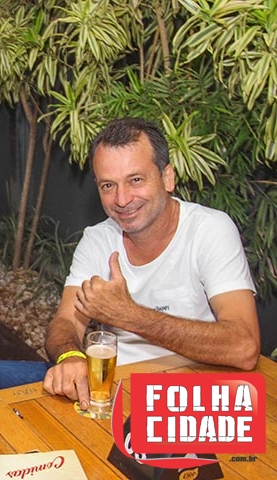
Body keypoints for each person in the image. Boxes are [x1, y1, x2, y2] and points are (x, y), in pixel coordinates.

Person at [42, 117, 260, 409]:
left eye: (136, 180)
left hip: (197, 397)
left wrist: (130, 315)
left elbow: (244, 347)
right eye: (108, 185)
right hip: (117, 392)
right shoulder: (98, 239)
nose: (122, 199)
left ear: (167, 177)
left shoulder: (210, 230)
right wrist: (70, 357)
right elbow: (66, 322)